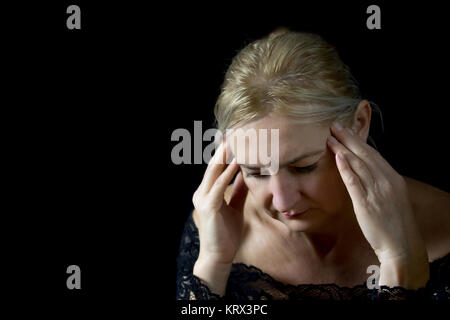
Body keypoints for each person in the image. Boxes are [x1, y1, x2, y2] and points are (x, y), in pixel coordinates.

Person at [176, 27, 450, 300]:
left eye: (303, 167)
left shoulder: (443, 224)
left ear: (359, 124)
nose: (282, 202)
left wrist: (400, 262)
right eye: (256, 172)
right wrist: (212, 265)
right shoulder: (215, 224)